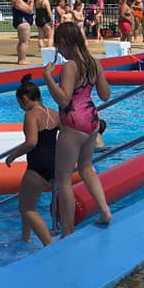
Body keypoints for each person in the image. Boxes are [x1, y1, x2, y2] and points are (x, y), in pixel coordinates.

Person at [43, 23, 112, 236]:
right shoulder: (94, 63)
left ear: (65, 43)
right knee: (86, 168)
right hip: (92, 120)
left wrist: (48, 78)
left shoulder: (70, 67)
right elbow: (105, 95)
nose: (59, 52)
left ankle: (68, 230)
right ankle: (105, 211)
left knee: (63, 180)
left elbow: (64, 99)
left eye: (59, 47)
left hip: (73, 124)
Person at [5, 74, 59, 246]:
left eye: (20, 103)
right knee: (27, 203)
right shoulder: (53, 113)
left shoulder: (31, 115)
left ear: (25, 98)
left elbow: (32, 142)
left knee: (27, 208)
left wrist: (12, 156)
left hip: (38, 164)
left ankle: (49, 245)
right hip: (54, 162)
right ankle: (25, 237)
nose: (21, 107)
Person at [11, 0, 35, 65]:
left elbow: (24, 8)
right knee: (25, 42)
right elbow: (29, 10)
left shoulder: (15, 0)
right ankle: (22, 59)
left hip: (20, 22)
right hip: (23, 22)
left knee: (21, 42)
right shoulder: (18, 1)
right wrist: (32, 2)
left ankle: (20, 58)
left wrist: (28, 3)